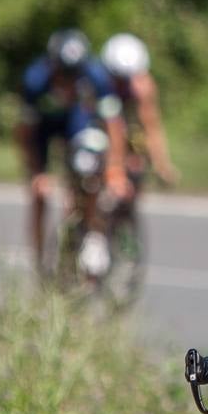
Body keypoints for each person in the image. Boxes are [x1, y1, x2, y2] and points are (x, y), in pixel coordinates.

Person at [15, 28, 130, 277]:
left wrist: (115, 169)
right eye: (62, 75)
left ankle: (90, 234)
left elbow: (114, 125)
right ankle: (38, 260)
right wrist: (36, 172)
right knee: (39, 195)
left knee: (87, 166)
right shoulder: (35, 81)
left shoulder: (96, 76)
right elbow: (25, 132)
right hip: (43, 129)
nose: (67, 83)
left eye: (73, 76)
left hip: (75, 123)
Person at [99, 32, 179, 191]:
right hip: (104, 125)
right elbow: (111, 125)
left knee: (138, 148)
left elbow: (152, 126)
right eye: (118, 78)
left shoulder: (143, 87)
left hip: (130, 125)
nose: (123, 83)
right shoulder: (100, 84)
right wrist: (115, 166)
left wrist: (161, 164)